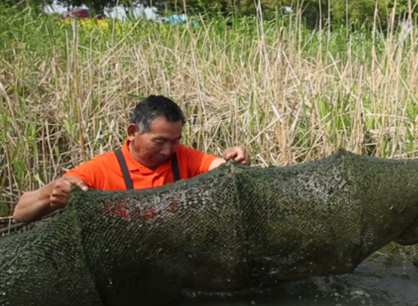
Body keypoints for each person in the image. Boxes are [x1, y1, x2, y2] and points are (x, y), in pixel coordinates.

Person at [14, 95, 251, 223]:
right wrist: (51, 192)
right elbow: (20, 213)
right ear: (132, 132)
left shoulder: (184, 156)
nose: (168, 151)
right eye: (159, 141)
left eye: (175, 141)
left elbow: (222, 168)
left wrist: (237, 159)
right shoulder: (102, 168)